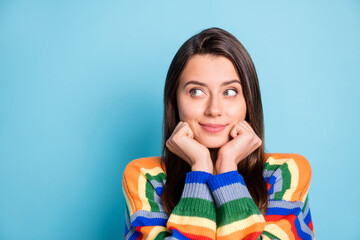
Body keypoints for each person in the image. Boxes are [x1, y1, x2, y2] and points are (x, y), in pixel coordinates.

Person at [122, 27, 315, 240]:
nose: (214, 109)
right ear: (175, 101)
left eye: (230, 92)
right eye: (196, 92)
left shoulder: (286, 173)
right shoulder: (146, 178)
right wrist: (200, 168)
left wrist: (227, 168)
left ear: (248, 101)